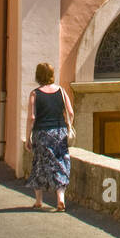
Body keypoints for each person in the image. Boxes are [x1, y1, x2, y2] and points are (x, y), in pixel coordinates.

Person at [25, 62, 74, 211]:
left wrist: (28, 137)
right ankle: (60, 198)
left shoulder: (35, 94)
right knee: (61, 163)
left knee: (39, 164)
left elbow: (32, 117)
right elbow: (70, 112)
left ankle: (39, 200)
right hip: (59, 132)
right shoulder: (61, 91)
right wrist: (69, 126)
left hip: (42, 133)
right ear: (52, 75)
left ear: (38, 76)